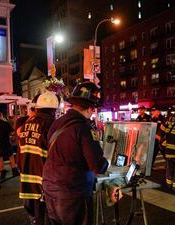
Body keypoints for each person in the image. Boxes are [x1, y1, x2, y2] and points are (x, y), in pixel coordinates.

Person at [43, 82, 109, 225]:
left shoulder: (57, 123)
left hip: (50, 188)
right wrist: (106, 162)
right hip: (73, 194)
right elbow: (97, 166)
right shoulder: (84, 128)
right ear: (91, 108)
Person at [17, 91, 58, 225]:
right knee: (45, 217)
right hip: (44, 181)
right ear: (54, 110)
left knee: (34, 216)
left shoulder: (25, 125)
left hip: (27, 180)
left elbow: (20, 152)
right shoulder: (51, 124)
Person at [0, 111, 19, 179]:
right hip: (6, 143)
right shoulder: (5, 123)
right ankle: (14, 170)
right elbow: (12, 132)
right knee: (11, 156)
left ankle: (2, 172)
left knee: (0, 158)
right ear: (1, 116)